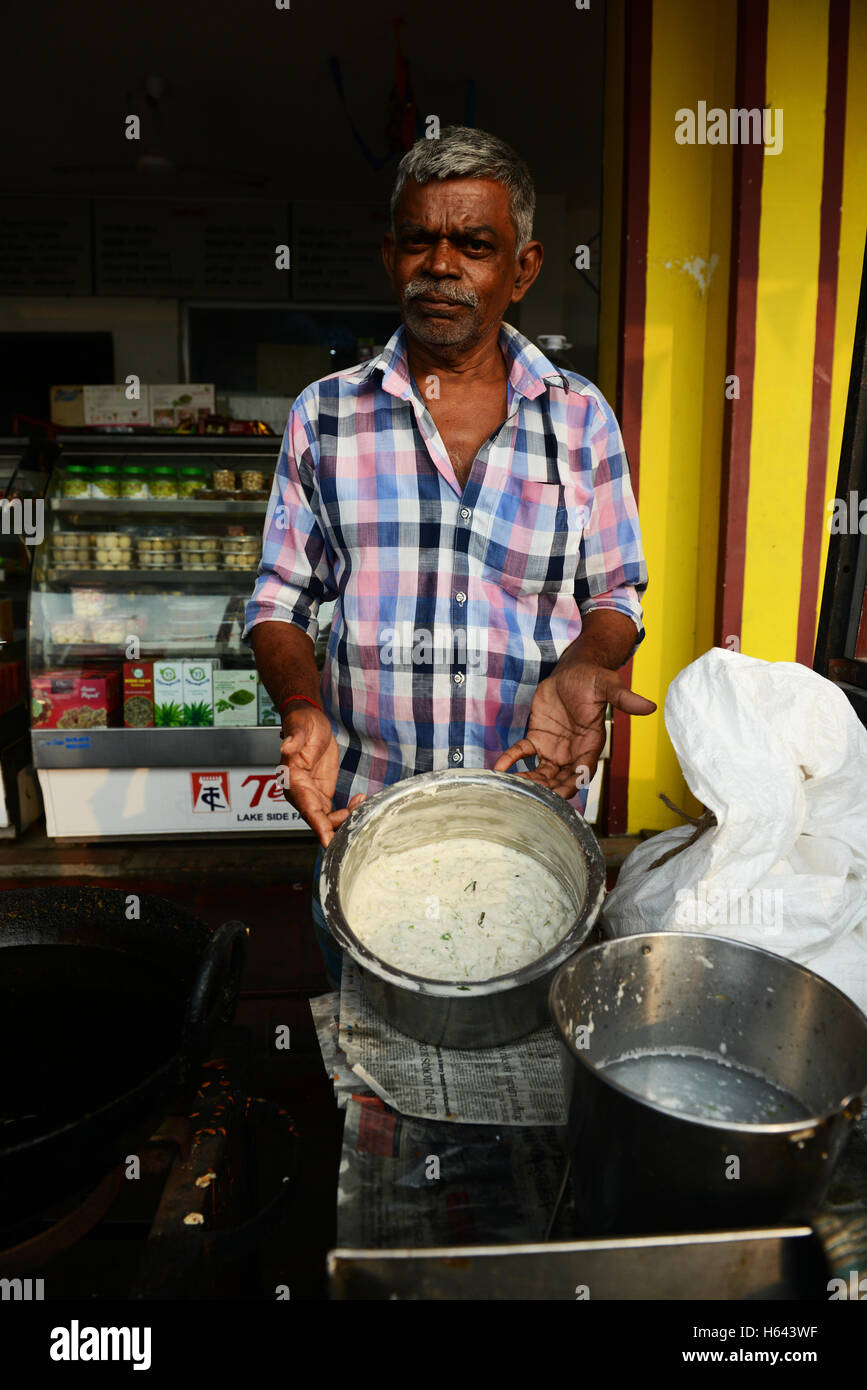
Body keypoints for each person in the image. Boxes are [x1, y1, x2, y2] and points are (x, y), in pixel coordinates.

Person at [245, 126, 654, 986]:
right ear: (389, 254)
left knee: (527, 1078)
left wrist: (586, 664)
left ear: (524, 267)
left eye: (473, 245)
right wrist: (299, 708)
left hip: (531, 819)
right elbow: (279, 602)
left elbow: (615, 592)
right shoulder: (326, 415)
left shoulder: (579, 418)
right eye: (418, 242)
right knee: (376, 1076)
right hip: (364, 818)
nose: (441, 265)